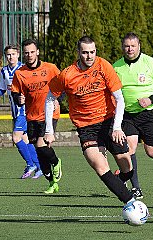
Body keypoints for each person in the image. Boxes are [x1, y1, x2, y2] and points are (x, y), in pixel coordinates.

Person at [44, 36, 136, 205]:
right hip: (86, 128)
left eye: (92, 52)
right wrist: (49, 131)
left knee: (127, 166)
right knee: (99, 166)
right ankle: (131, 202)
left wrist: (117, 127)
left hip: (108, 122)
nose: (89, 56)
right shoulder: (67, 74)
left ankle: (120, 180)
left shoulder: (104, 66)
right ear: (78, 52)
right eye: (85, 52)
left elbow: (119, 98)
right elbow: (50, 99)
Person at [113, 32, 153, 199]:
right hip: (129, 115)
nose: (130, 49)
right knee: (129, 147)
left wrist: (150, 99)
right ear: (122, 47)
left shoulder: (149, 63)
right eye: (127, 46)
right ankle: (136, 188)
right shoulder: (116, 67)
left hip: (151, 113)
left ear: (139, 46)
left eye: (133, 46)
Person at [11, 39, 62, 194]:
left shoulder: (50, 68)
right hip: (31, 116)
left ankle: (56, 162)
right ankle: (52, 182)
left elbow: (63, 85)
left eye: (32, 52)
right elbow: (15, 92)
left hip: (49, 114)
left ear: (38, 52)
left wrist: (58, 100)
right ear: (23, 54)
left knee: (42, 145)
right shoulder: (20, 74)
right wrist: (18, 99)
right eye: (26, 53)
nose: (30, 55)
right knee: (39, 152)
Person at [0, 44, 42, 179]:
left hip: (24, 110)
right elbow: (2, 89)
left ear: (18, 55)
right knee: (25, 139)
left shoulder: (24, 70)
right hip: (15, 111)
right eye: (8, 54)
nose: (10, 57)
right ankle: (39, 166)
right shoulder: (4, 71)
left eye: (13, 54)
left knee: (16, 137)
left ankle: (31, 164)